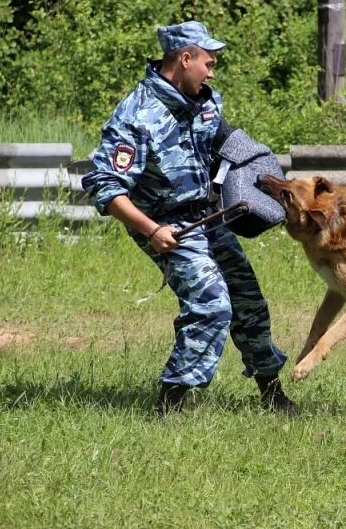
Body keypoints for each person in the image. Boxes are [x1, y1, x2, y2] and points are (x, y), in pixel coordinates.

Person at [81, 21, 298, 417]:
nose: (212, 72)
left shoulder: (204, 101)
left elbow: (228, 145)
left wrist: (261, 179)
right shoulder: (136, 116)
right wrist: (152, 231)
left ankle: (273, 395)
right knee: (211, 304)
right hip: (167, 225)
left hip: (208, 216)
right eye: (208, 63)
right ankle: (170, 405)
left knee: (247, 299)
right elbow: (104, 186)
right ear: (185, 58)